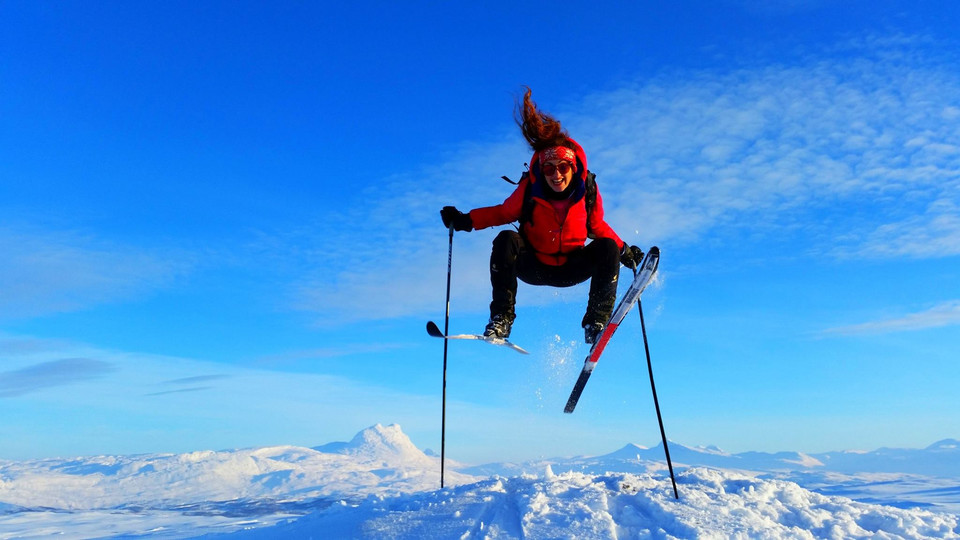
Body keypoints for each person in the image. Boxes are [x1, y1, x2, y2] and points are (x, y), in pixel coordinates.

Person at [440, 88, 643, 344]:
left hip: (572, 266)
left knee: (607, 248)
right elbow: (503, 213)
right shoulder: (530, 189)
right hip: (534, 266)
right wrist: (465, 220)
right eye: (549, 168)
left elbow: (597, 226)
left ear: (572, 167)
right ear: (542, 169)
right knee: (506, 239)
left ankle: (596, 323)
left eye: (563, 167)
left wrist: (624, 251)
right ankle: (501, 318)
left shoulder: (587, 189)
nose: (555, 174)